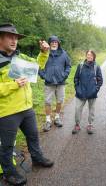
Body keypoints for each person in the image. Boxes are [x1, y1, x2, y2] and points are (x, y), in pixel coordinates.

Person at [0, 23, 54, 186]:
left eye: (16, 37)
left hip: (26, 107)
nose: (14, 40)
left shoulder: (20, 57)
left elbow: (37, 66)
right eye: (10, 36)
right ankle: (9, 173)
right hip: (7, 111)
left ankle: (37, 159)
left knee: (33, 136)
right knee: (7, 146)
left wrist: (44, 52)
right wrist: (14, 84)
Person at [39, 35, 71, 132]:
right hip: (49, 82)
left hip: (61, 82)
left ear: (58, 43)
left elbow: (68, 66)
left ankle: (57, 117)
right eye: (52, 42)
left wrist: (64, 75)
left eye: (55, 42)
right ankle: (48, 120)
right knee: (48, 101)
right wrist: (44, 76)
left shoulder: (64, 54)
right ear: (49, 43)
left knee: (59, 101)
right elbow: (39, 65)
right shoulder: (45, 53)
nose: (54, 43)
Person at [72, 50, 103, 134]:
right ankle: (77, 125)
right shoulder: (81, 66)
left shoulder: (96, 67)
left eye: (91, 55)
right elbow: (76, 78)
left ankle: (90, 125)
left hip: (92, 93)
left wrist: (95, 89)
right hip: (80, 92)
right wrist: (77, 88)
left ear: (94, 57)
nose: (89, 56)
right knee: (77, 109)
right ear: (86, 56)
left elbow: (100, 80)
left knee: (91, 110)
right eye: (88, 55)